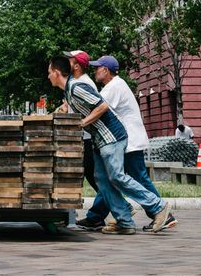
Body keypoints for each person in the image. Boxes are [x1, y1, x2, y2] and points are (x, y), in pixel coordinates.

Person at [48, 55, 171, 234]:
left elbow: (102, 106)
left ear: (57, 73)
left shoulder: (76, 88)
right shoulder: (69, 90)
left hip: (111, 136)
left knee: (117, 177)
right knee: (103, 181)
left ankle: (158, 206)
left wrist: (82, 123)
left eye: (49, 72)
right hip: (99, 139)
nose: (48, 76)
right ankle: (124, 221)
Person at [55, 51, 100, 196]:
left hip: (87, 136)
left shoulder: (84, 83)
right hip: (83, 136)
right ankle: (101, 214)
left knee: (93, 175)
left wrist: (82, 123)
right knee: (91, 175)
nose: (66, 63)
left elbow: (101, 106)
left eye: (69, 60)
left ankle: (122, 207)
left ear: (76, 66)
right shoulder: (76, 83)